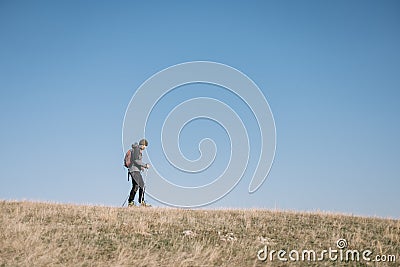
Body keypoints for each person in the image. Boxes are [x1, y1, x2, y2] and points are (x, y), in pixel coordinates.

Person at [128, 139, 150, 207]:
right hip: (134, 171)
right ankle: (130, 202)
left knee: (142, 186)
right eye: (145, 146)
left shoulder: (137, 150)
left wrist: (141, 167)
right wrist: (145, 165)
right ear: (143, 145)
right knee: (136, 186)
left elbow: (136, 162)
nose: (145, 148)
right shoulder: (137, 149)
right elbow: (136, 161)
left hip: (136, 170)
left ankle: (141, 202)